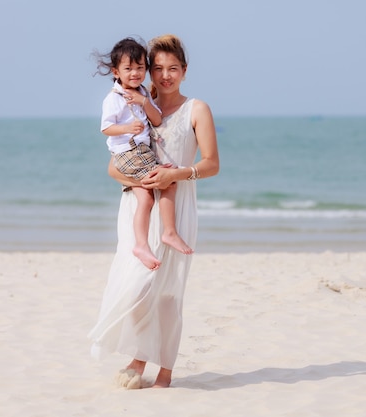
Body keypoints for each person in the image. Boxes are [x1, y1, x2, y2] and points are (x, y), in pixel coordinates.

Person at [88, 34, 220, 389]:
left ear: (184, 71)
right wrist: (139, 183)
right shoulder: (137, 106)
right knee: (137, 286)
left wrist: (176, 172)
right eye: (157, 68)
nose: (164, 76)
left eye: (172, 68)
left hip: (177, 207)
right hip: (137, 203)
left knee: (168, 292)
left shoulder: (197, 109)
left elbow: (211, 165)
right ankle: (139, 356)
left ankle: (163, 369)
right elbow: (114, 167)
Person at [97, 37, 193, 271]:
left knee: (147, 198)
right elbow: (106, 128)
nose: (135, 73)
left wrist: (143, 101)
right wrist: (127, 128)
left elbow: (157, 119)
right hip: (129, 151)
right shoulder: (114, 98)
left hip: (139, 151)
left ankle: (141, 245)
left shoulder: (142, 93)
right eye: (128, 69)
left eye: (140, 68)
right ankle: (169, 233)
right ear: (116, 71)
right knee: (168, 181)